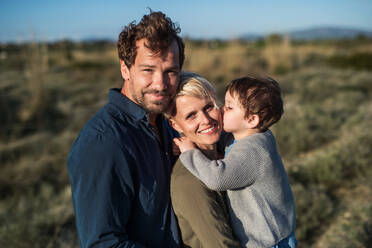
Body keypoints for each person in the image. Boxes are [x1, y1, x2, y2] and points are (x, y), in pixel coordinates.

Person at [67, 10, 185, 247]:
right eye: (148, 70)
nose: (160, 84)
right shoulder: (103, 143)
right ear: (125, 69)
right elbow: (103, 243)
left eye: (170, 71)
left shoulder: (168, 124)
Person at [174, 76, 297, 248]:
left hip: (268, 243)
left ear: (251, 120)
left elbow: (217, 178)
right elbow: (225, 140)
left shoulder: (253, 151)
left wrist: (191, 153)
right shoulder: (248, 135)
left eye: (229, 107)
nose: (222, 110)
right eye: (223, 104)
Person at [166, 72, 242, 248]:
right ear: (175, 125)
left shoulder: (228, 150)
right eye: (191, 115)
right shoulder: (189, 180)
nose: (206, 120)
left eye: (209, 107)